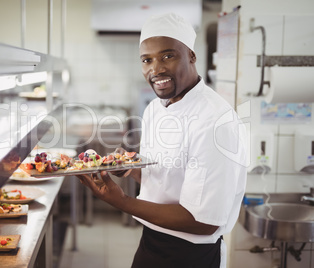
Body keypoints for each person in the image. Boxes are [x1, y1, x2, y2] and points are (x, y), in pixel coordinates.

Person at [77, 13, 247, 268]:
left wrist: (122, 202)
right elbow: (168, 180)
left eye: (168, 56)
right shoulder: (156, 108)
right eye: (147, 60)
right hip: (150, 242)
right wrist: (130, 169)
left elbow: (204, 221)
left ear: (191, 55)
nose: (156, 69)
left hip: (192, 255)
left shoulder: (216, 121)